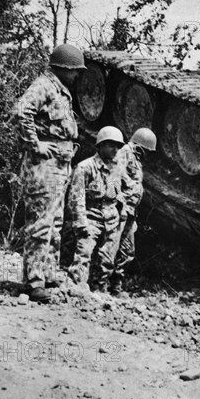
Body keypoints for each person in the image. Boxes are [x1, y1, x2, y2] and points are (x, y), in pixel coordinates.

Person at [13, 43, 86, 303]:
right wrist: (35, 145)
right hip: (44, 165)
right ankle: (33, 282)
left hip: (60, 163)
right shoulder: (44, 85)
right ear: (64, 68)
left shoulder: (60, 90)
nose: (77, 75)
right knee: (41, 223)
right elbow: (22, 111)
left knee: (55, 222)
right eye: (75, 70)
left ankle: (48, 273)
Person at [67, 126, 129, 293]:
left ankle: (100, 289)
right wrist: (81, 224)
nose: (115, 149)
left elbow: (124, 190)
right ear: (100, 145)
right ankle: (77, 288)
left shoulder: (118, 168)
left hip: (111, 219)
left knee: (107, 259)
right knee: (84, 253)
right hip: (90, 216)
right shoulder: (85, 167)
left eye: (118, 146)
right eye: (111, 145)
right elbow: (76, 198)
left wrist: (122, 208)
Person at [112, 127, 157, 296]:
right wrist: (121, 200)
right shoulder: (125, 152)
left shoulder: (135, 159)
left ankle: (116, 284)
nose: (148, 155)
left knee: (127, 251)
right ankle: (100, 284)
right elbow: (114, 175)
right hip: (121, 208)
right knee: (111, 247)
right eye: (147, 151)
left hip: (130, 211)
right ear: (140, 147)